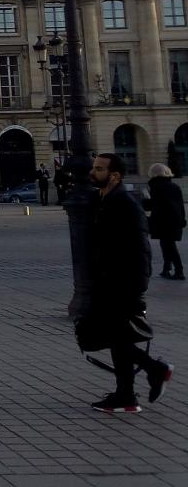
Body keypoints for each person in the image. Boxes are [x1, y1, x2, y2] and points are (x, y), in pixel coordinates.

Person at [81, 152, 172, 413]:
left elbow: (141, 248)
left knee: (115, 336)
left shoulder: (124, 204)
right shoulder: (104, 200)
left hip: (123, 282)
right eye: (93, 167)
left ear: (115, 175)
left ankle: (156, 370)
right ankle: (126, 396)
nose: (92, 172)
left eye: (99, 169)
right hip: (108, 280)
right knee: (117, 337)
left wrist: (138, 285)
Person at [146, 163, 185, 280]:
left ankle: (179, 271)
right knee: (166, 245)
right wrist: (182, 219)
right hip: (175, 220)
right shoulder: (174, 186)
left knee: (169, 246)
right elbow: (180, 205)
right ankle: (166, 268)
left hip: (163, 221)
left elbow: (154, 205)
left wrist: (145, 202)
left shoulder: (156, 186)